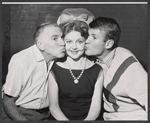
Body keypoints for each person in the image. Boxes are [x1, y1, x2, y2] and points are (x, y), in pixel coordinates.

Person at [85, 16, 148, 120]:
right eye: (87, 35)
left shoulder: (129, 66)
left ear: (109, 43)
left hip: (134, 117)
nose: (86, 41)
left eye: (94, 37)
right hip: (112, 116)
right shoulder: (94, 58)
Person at [2, 22, 65, 121]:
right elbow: (7, 101)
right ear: (40, 45)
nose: (63, 43)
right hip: (18, 113)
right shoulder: (22, 60)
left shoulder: (57, 58)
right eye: (55, 38)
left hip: (45, 115)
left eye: (62, 37)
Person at [48, 20, 104, 121]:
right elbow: (54, 107)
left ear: (86, 42)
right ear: (63, 43)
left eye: (79, 42)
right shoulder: (54, 68)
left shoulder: (97, 69)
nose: (74, 47)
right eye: (69, 42)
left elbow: (95, 108)